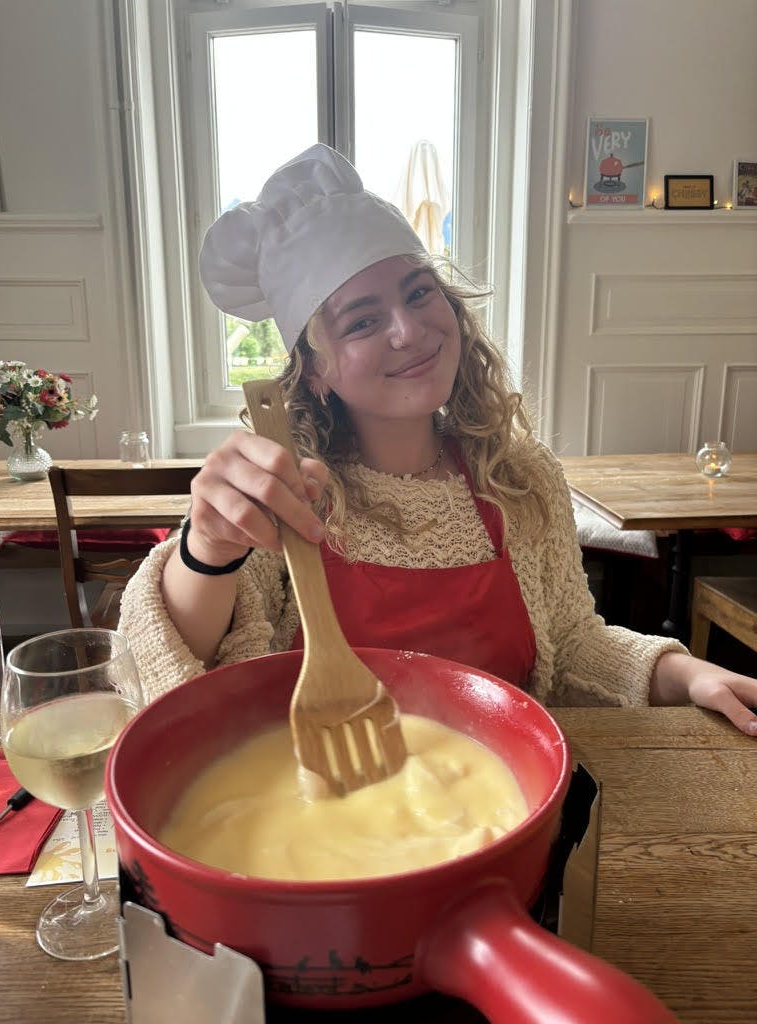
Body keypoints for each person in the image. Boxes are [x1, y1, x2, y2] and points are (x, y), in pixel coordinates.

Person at [119, 144, 757, 735]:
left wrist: (687, 672)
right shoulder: (288, 496)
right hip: (321, 825)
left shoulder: (521, 477)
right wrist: (205, 549)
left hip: (498, 805)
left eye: (419, 293)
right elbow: (171, 670)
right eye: (363, 320)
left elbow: (573, 643)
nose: (408, 330)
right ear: (315, 371)